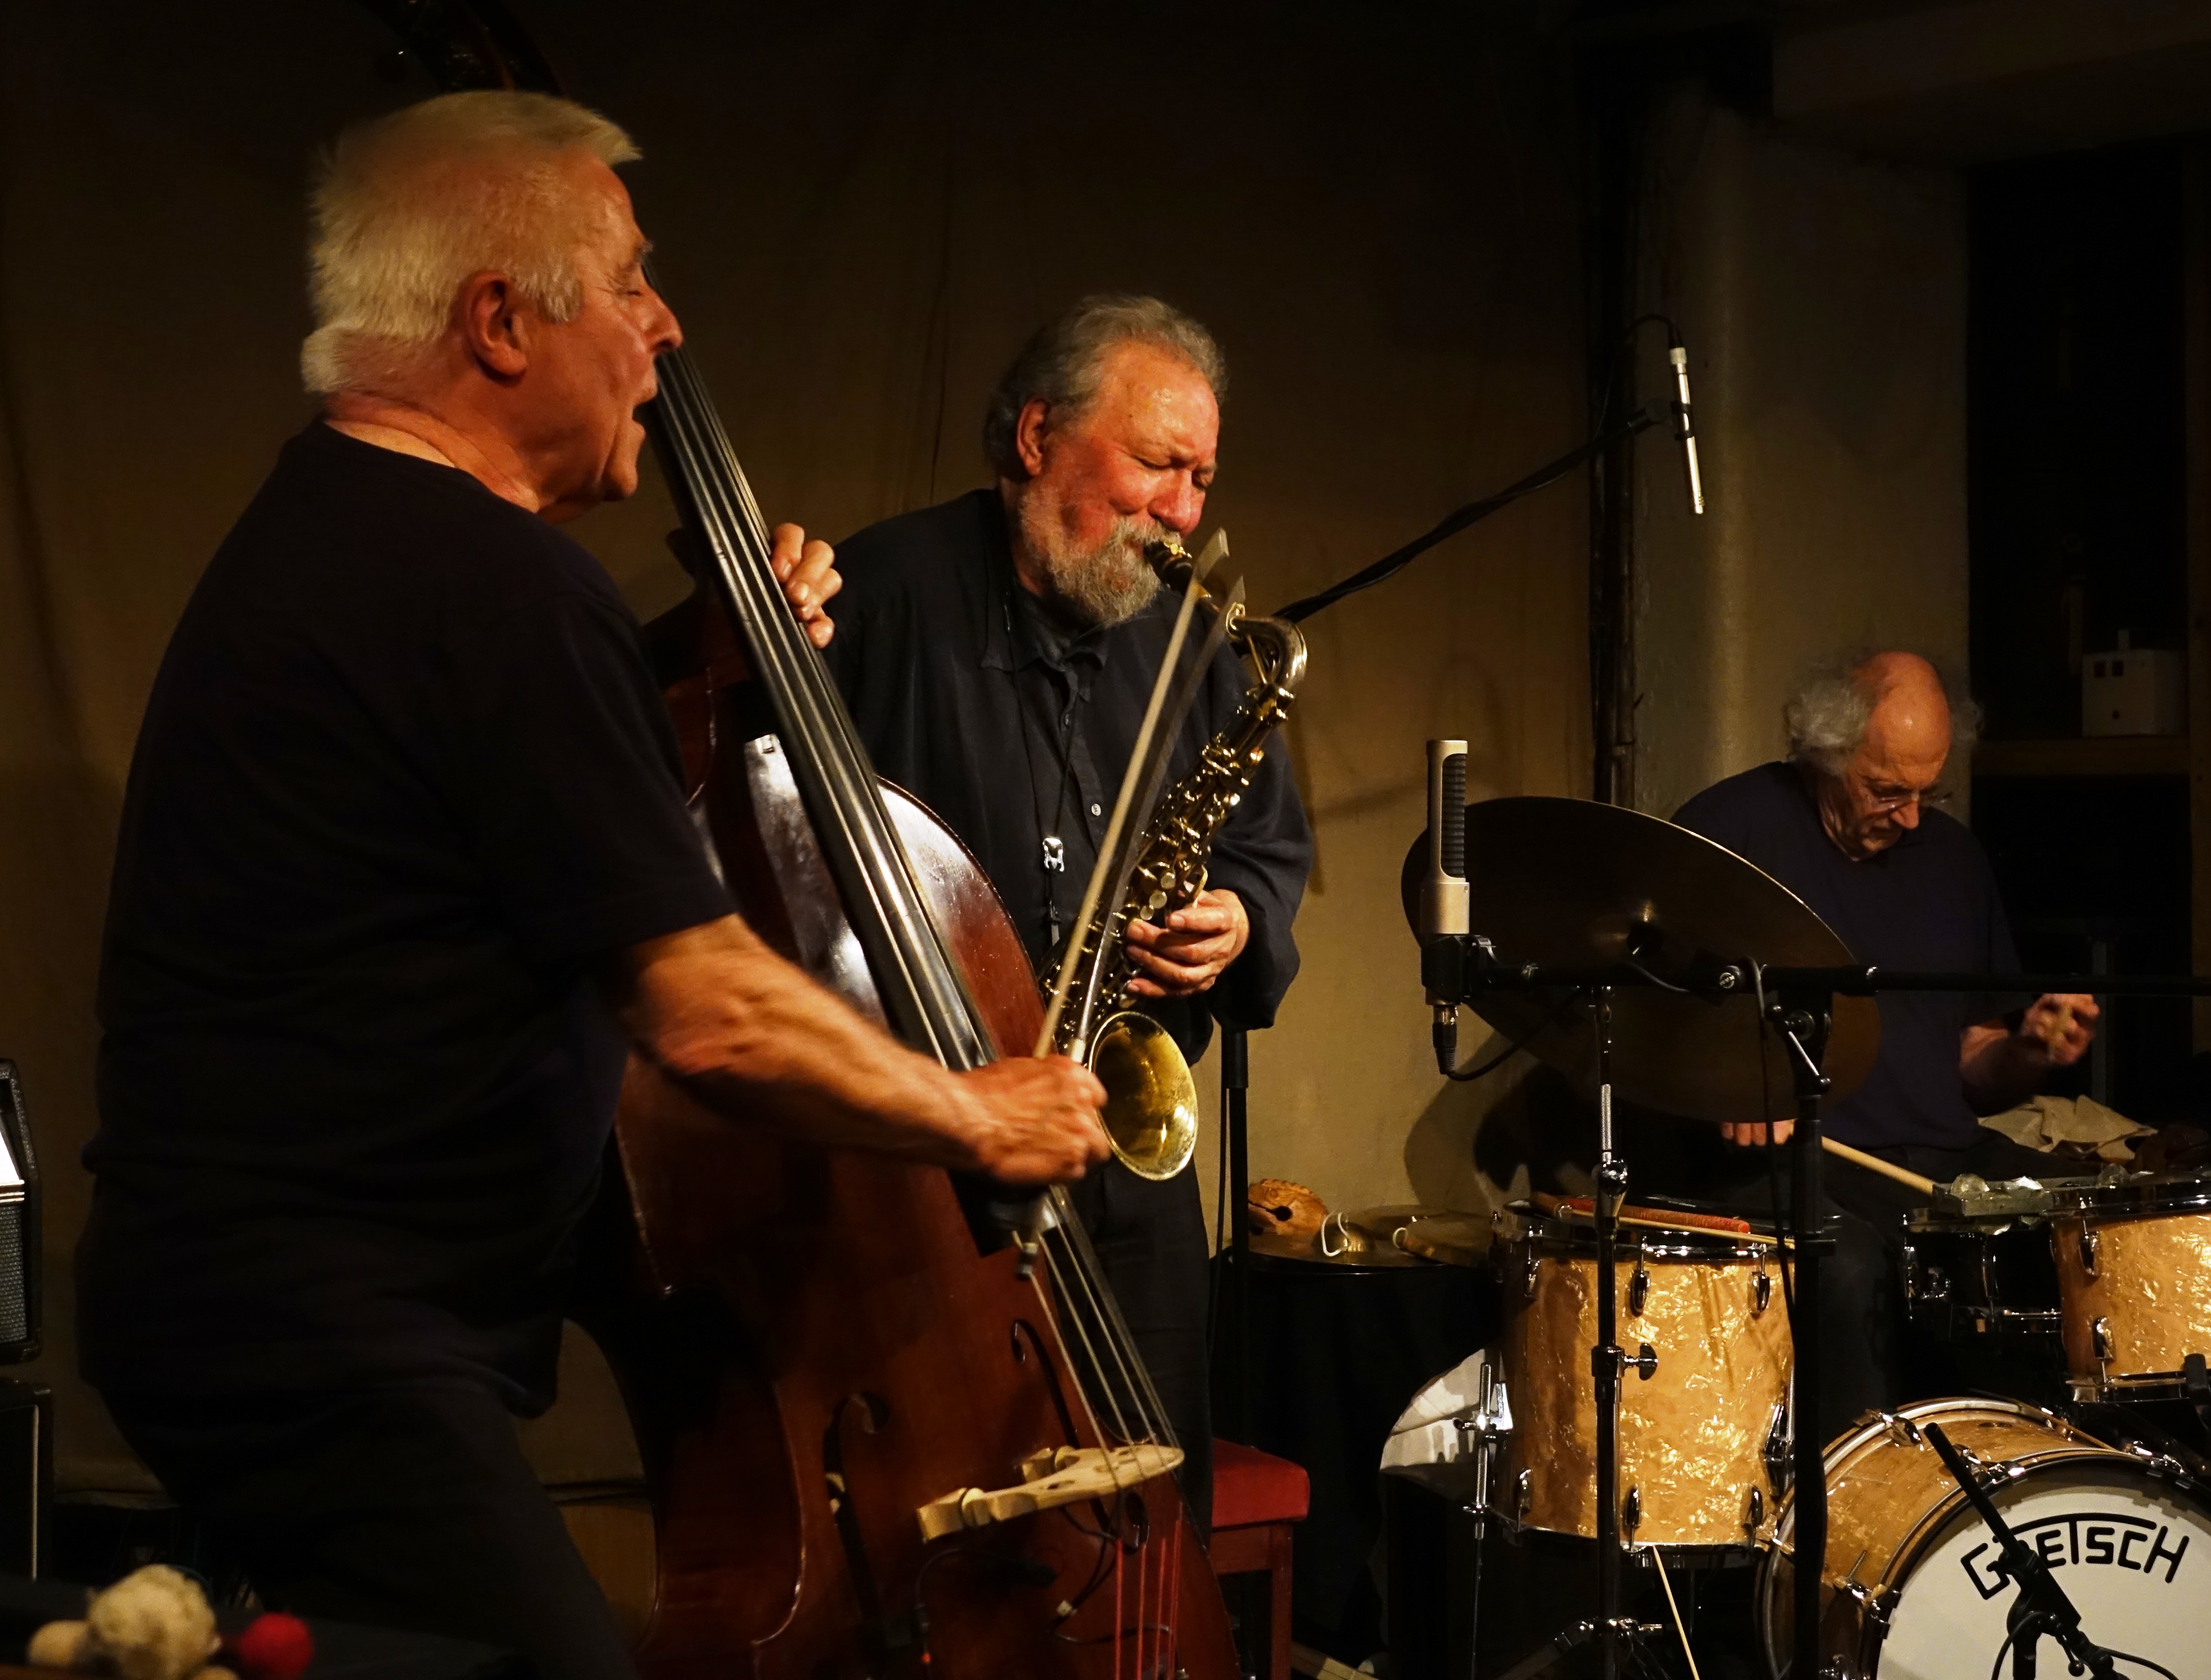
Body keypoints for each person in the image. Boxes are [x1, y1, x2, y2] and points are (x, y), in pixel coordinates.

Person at [79, 92, 1107, 1680]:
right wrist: (983, 1110)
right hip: (332, 1340)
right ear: (500, 320)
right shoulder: (492, 582)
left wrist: (702, 665)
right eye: (629, 281)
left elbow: (486, 824)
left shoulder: (343, 531)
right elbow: (700, 1006)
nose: (665, 325)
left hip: (232, 1313)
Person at [823, 295, 1314, 1524]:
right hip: (935, 1149)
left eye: (1202, 479)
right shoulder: (882, 596)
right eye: (1159, 465)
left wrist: (1240, 922)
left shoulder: (1200, 649)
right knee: (952, 1514)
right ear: (1037, 436)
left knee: (1147, 1510)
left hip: (1125, 1148)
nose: (1186, 512)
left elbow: (1263, 847)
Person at [1666, 649, 2097, 1433]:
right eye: (1886, 790)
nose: (1909, 817)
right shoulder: (1727, 834)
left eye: (1928, 793)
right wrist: (1733, 1079)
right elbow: (1650, 1023)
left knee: (2085, 1217)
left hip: (1933, 1162)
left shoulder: (1951, 856)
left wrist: (2028, 1052)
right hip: (1786, 1165)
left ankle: (2053, 1487)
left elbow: (1972, 1063)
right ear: (1824, 755)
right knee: (1851, 1264)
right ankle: (1863, 1521)